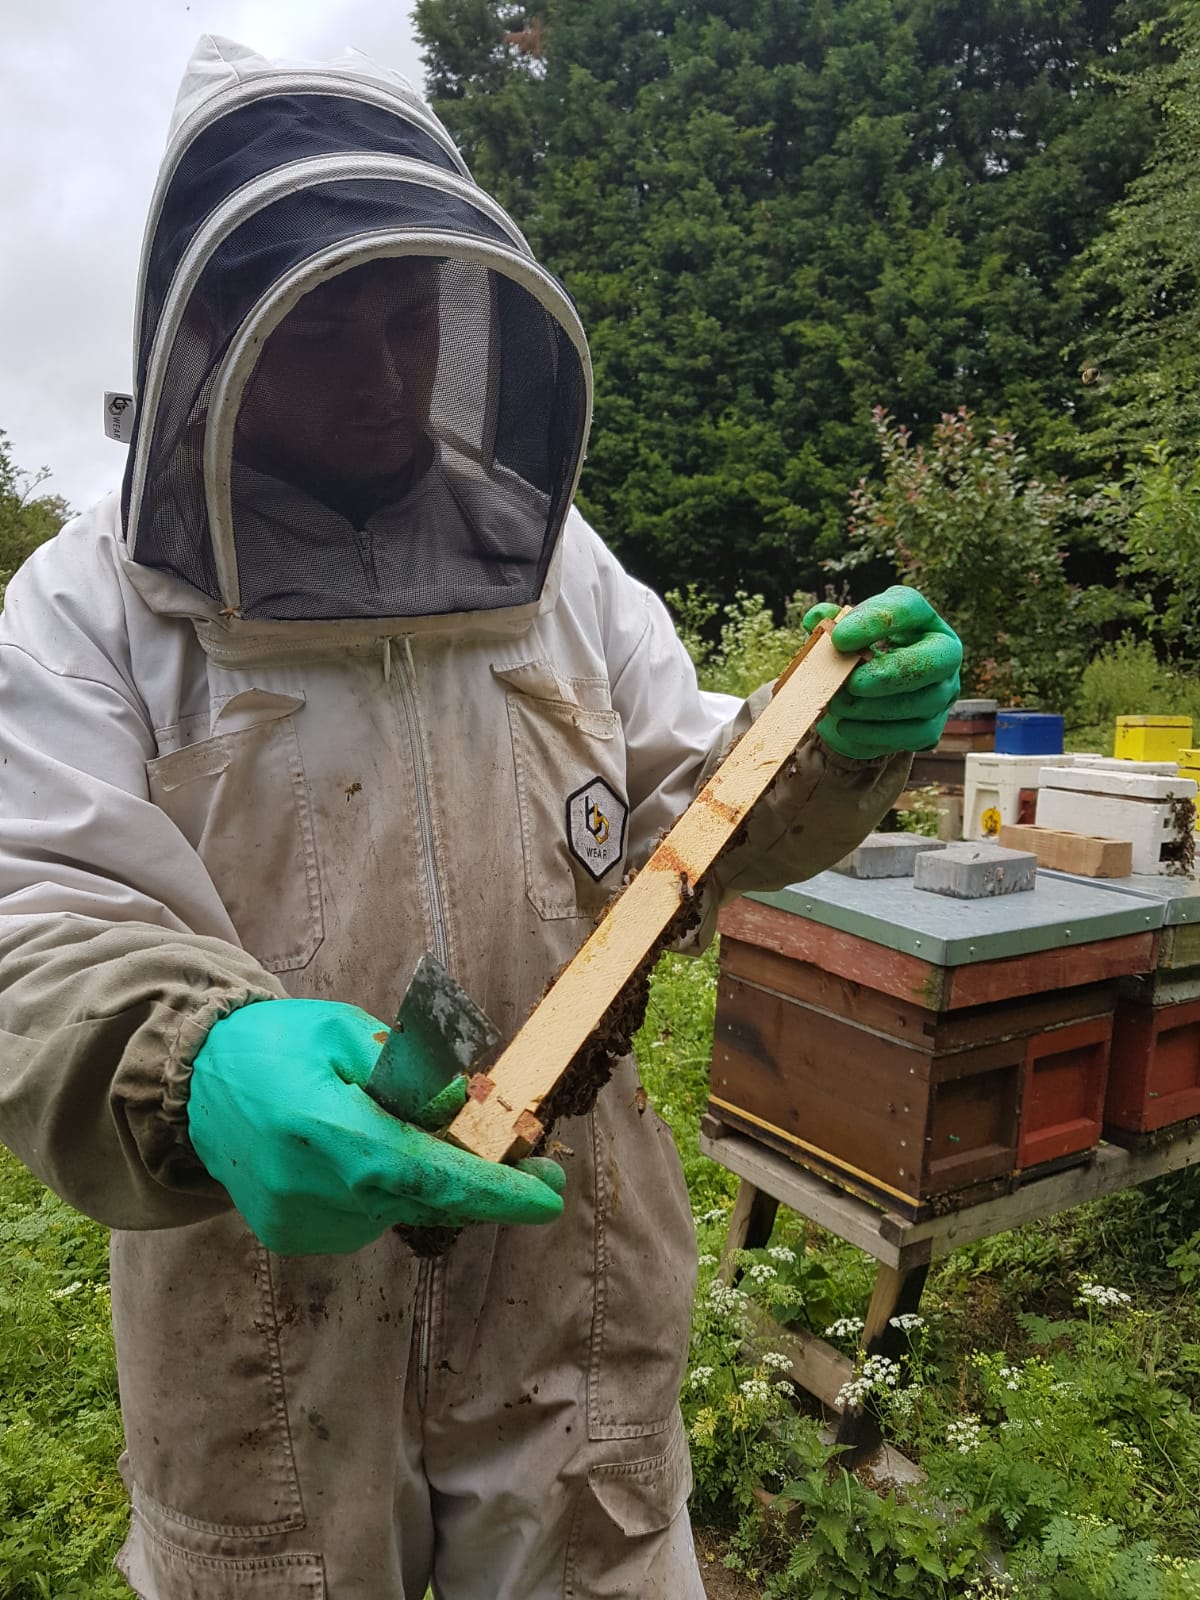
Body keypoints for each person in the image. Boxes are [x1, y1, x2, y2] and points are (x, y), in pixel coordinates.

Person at [0, 36, 962, 1600]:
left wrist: (825, 750)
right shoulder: (88, 612)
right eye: (321, 331)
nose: (381, 375)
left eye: (407, 318)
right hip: (261, 1310)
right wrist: (188, 1065)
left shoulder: (558, 564)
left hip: (569, 1286)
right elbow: (31, 917)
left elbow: (686, 804)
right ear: (210, 343)